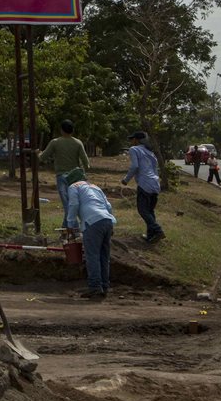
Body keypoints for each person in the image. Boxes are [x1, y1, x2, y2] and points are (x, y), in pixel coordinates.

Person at [64, 167, 115, 298]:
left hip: (92, 223)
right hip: (107, 221)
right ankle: (104, 286)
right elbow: (108, 206)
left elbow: (74, 204)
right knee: (104, 256)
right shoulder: (95, 187)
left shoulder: (73, 187)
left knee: (92, 256)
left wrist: (70, 224)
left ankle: (95, 287)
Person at [38, 120, 91, 228]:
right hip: (76, 177)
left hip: (62, 177)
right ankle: (66, 227)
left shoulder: (55, 142)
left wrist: (37, 153)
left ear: (61, 130)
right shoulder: (78, 143)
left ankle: (73, 227)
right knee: (75, 202)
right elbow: (86, 163)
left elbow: (43, 157)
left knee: (68, 204)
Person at [121, 130, 164, 243]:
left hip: (145, 183)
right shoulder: (151, 152)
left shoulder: (134, 149)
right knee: (150, 211)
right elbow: (155, 168)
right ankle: (151, 235)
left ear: (137, 140)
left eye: (132, 139)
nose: (131, 141)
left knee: (142, 210)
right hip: (155, 183)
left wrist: (126, 180)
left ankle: (158, 230)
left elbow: (135, 166)